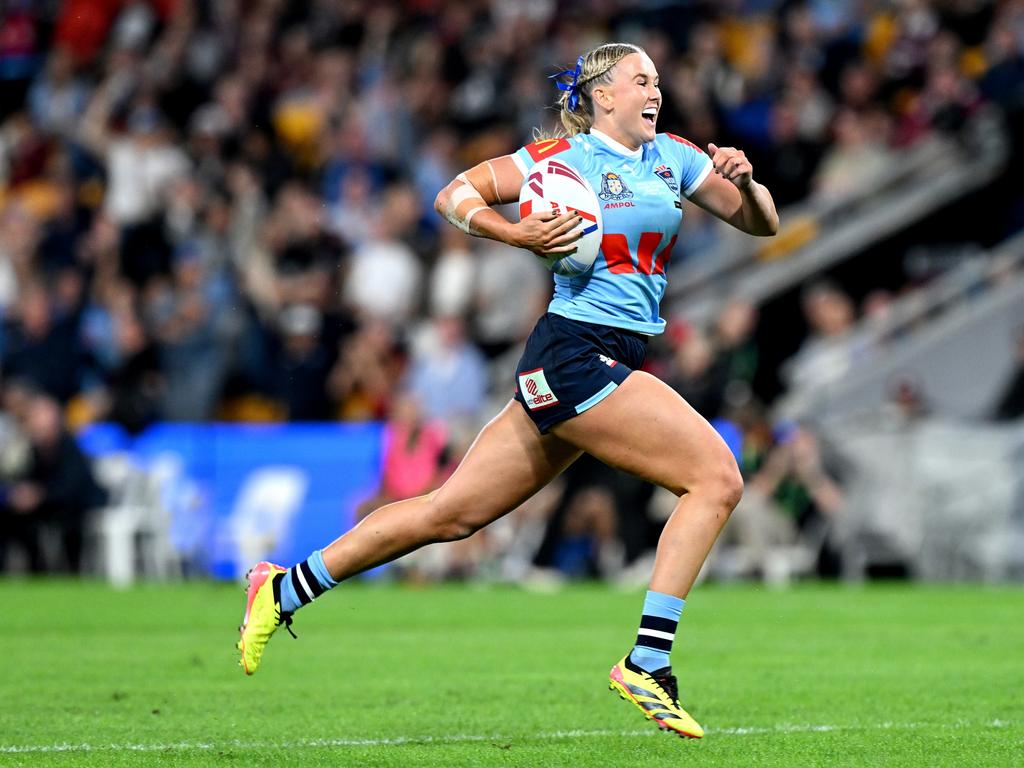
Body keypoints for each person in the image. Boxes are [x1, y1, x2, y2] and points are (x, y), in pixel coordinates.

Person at [237, 42, 778, 740]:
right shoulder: (562, 161)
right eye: (640, 80)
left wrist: (749, 180)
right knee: (716, 478)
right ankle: (648, 661)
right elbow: (453, 193)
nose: (656, 91)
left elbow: (757, 222)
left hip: (602, 355)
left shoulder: (672, 155)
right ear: (602, 96)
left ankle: (282, 590)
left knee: (449, 515)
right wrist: (515, 232)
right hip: (575, 352)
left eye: (658, 81)